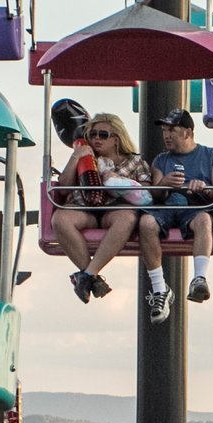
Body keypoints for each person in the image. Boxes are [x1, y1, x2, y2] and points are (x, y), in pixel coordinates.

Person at [139, 110, 213, 323]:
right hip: (168, 206)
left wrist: (202, 188)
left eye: (172, 130)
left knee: (204, 220)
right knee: (146, 222)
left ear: (188, 132)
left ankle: (199, 278)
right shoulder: (161, 160)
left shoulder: (212, 156)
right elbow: (156, 194)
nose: (166, 136)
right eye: (164, 131)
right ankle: (160, 288)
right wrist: (164, 184)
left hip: (196, 205)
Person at [51, 113, 151, 304]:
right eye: (93, 134)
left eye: (103, 135)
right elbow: (63, 187)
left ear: (116, 139)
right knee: (60, 219)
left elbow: (146, 191)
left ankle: (87, 274)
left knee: (127, 218)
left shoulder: (134, 162)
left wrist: (118, 181)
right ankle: (92, 277)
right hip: (83, 208)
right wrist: (76, 157)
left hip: (114, 209)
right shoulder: (86, 159)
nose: (96, 138)